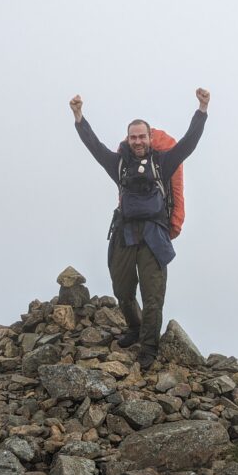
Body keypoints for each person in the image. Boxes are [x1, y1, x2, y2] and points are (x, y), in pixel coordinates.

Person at [69, 88, 210, 370]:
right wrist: (79, 117)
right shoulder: (118, 164)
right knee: (122, 290)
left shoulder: (163, 161)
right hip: (124, 233)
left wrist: (202, 110)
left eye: (142, 136)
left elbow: (188, 144)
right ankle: (134, 328)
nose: (137, 141)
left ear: (149, 138)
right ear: (128, 139)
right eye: (133, 137)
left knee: (153, 296)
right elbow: (94, 146)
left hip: (154, 237)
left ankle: (148, 347)